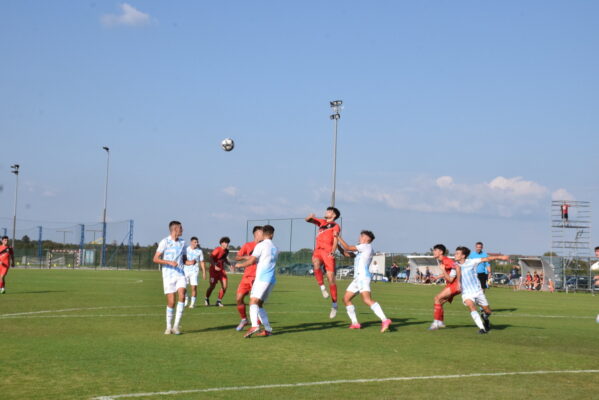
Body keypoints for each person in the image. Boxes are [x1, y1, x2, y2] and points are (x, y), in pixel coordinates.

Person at [336, 230, 392, 333]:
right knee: (346, 299)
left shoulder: (366, 246)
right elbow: (347, 254)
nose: (359, 238)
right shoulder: (361, 248)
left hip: (363, 277)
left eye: (361, 237)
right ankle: (355, 323)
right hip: (357, 279)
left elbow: (348, 247)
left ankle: (385, 320)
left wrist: (338, 237)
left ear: (366, 239)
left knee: (367, 300)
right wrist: (337, 245)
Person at [235, 225, 278, 338]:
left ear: (263, 233)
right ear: (272, 235)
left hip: (262, 278)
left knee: (253, 302)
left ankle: (254, 326)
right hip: (271, 280)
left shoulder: (261, 245)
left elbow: (252, 261)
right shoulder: (274, 247)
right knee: (259, 304)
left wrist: (240, 265)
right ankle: (268, 329)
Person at [454, 246, 509, 334]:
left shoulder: (472, 262)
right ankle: (482, 328)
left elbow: (486, 259)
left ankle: (485, 317)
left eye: (457, 253)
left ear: (463, 256)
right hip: (466, 293)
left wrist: (501, 257)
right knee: (471, 306)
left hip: (478, 291)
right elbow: (451, 277)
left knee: (488, 311)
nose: (455, 255)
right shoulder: (455, 265)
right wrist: (457, 283)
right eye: (455, 253)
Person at [305, 207, 341, 318]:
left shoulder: (335, 226)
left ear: (334, 215)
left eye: (329, 211)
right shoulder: (321, 222)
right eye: (327, 210)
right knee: (315, 263)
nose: (326, 212)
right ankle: (322, 288)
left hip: (328, 251)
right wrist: (310, 217)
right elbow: (307, 220)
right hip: (318, 250)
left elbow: (335, 239)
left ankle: (334, 305)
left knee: (331, 278)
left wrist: (333, 252)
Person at [152, 221, 187, 335]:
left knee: (182, 295)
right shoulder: (165, 242)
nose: (182, 230)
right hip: (168, 275)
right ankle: (168, 327)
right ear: (175, 229)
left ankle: (176, 326)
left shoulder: (183, 242)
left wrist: (190, 262)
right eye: (181, 228)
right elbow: (156, 259)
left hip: (180, 274)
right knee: (171, 302)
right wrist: (169, 262)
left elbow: (184, 259)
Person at [232, 226, 263, 331]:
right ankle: (244, 319)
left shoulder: (264, 246)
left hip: (258, 277)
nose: (262, 235)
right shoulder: (247, 245)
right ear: (255, 234)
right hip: (246, 277)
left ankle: (257, 323)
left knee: (255, 301)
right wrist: (245, 257)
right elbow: (237, 257)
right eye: (260, 233)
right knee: (239, 298)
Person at [428, 244, 461, 330]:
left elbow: (456, 268)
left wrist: (459, 282)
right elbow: (448, 272)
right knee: (440, 302)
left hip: (454, 285)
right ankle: (441, 322)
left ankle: (436, 323)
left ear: (441, 252)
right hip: (452, 284)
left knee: (437, 298)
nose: (433, 252)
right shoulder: (444, 261)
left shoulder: (447, 260)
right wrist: (437, 277)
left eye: (435, 250)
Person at [205, 237, 231, 307]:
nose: (227, 244)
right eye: (225, 242)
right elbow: (211, 257)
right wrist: (214, 266)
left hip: (221, 271)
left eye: (227, 243)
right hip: (213, 271)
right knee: (212, 286)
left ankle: (218, 301)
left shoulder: (226, 251)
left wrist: (229, 265)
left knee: (225, 286)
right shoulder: (217, 249)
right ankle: (206, 298)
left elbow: (224, 258)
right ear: (221, 243)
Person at [183, 237, 206, 309]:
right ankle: (186, 298)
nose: (196, 243)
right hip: (185, 270)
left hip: (194, 271)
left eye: (197, 242)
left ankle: (192, 303)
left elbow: (202, 262)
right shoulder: (186, 249)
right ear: (191, 242)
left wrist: (204, 272)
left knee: (193, 287)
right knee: (183, 287)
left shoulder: (199, 251)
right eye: (195, 242)